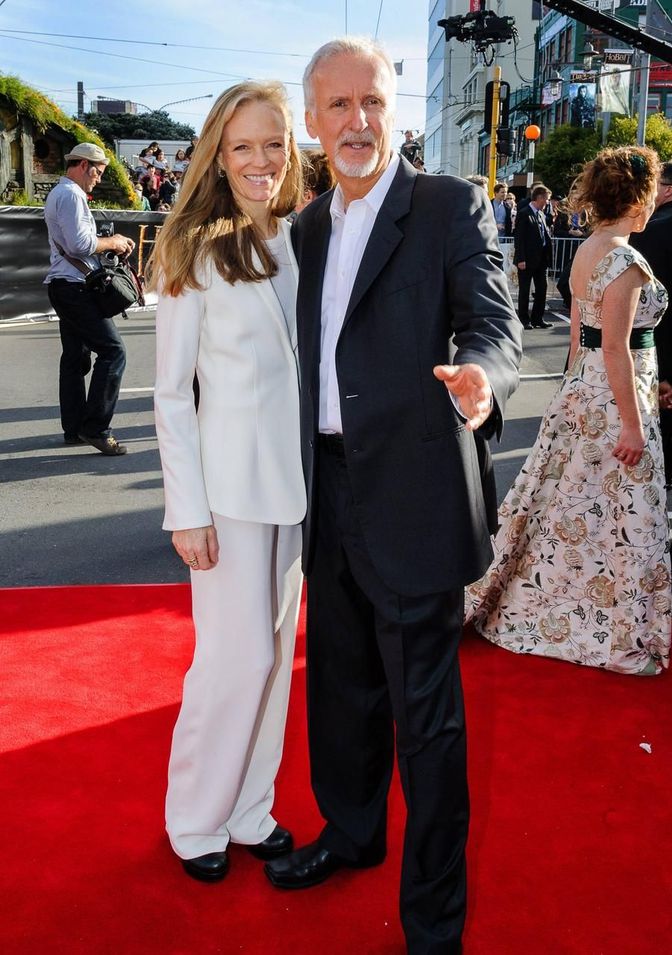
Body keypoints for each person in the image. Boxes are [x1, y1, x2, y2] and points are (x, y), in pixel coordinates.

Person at [263, 36, 522, 954]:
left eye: (371, 101)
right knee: (340, 688)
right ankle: (353, 831)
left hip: (413, 486)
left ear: (394, 107)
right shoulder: (304, 229)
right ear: (313, 121)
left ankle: (434, 921)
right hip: (325, 489)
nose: (357, 122)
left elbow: (494, 322)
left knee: (428, 720)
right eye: (337, 107)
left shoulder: (450, 203)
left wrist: (484, 381)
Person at [150, 81, 306, 884]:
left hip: (299, 491)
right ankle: (195, 818)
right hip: (229, 493)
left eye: (274, 142)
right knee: (232, 660)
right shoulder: (192, 248)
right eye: (243, 145)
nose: (261, 160)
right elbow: (172, 391)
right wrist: (187, 509)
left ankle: (250, 809)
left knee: (276, 658)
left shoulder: (295, 240)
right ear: (218, 151)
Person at [468, 145, 672, 674]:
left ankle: (561, 602)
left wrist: (573, 392)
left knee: (571, 507)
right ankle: (608, 626)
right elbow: (615, 348)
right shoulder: (624, 260)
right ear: (640, 198)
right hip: (616, 395)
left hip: (586, 387)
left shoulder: (589, 249)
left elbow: (582, 338)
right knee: (622, 510)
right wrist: (631, 422)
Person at [44, 142, 134, 455]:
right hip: (74, 288)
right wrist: (115, 241)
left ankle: (74, 428)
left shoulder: (61, 192)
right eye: (98, 171)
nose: (98, 178)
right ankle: (96, 428)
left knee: (74, 359)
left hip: (64, 285)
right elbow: (81, 244)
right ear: (84, 165)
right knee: (113, 352)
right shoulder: (71, 194)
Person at [630, 159, 672, 613]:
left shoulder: (651, 235)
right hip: (657, 370)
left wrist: (668, 374)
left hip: (655, 370)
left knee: (653, 467)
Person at [514, 183, 553, 329]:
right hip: (527, 259)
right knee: (525, 290)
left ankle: (538, 318)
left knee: (542, 288)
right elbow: (519, 238)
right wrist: (521, 258)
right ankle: (524, 319)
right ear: (539, 198)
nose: (547, 202)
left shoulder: (541, 214)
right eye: (546, 199)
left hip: (541, 259)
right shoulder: (524, 213)